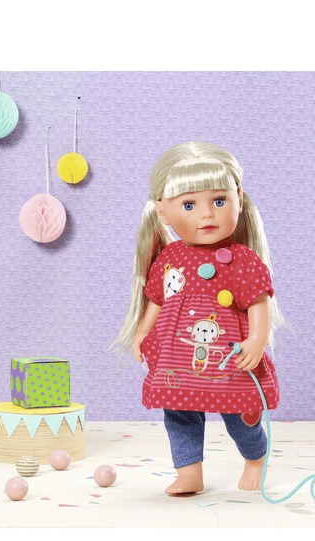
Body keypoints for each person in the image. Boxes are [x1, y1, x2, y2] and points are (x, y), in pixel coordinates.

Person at [112, 141, 287, 495]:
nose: (207, 215)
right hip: (178, 364)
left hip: (228, 359)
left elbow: (259, 302)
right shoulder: (169, 258)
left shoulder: (242, 260)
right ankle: (189, 472)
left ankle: (255, 459)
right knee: (179, 417)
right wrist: (141, 333)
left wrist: (256, 340)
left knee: (241, 417)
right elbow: (157, 300)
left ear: (239, 198)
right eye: (189, 205)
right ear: (163, 211)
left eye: (219, 201)